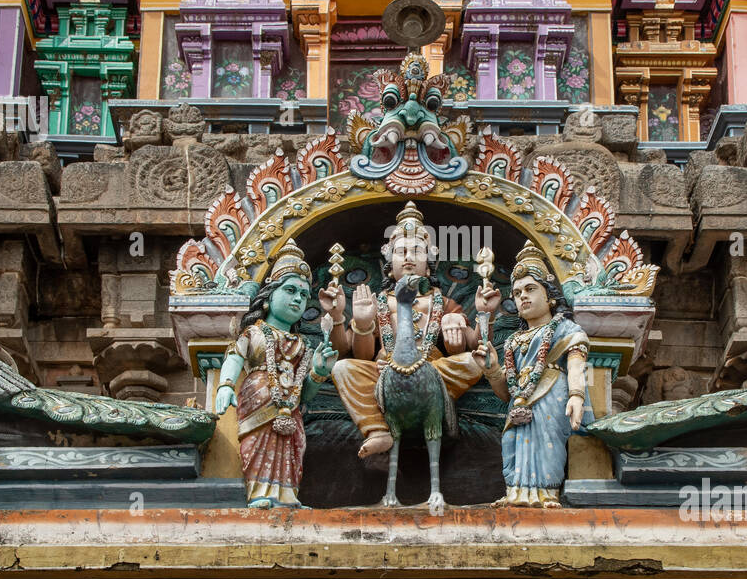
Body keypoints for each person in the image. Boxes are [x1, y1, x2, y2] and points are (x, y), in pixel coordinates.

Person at [319, 202, 501, 458]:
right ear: (389, 264)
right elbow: (355, 355)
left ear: (428, 263)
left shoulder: (442, 302)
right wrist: (349, 320)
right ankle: (376, 429)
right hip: (383, 372)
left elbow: (478, 347)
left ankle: (431, 397)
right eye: (401, 251)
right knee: (343, 368)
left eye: (416, 250)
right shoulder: (378, 301)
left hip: (432, 373)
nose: (408, 257)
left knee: (473, 363)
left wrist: (484, 313)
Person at [215, 239, 337, 508]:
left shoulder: (302, 344)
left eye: (304, 296)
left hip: (290, 407)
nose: (297, 299)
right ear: (269, 296)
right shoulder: (254, 332)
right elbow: (234, 356)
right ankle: (258, 492)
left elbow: (305, 392)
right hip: (258, 399)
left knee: (290, 449)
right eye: (291, 290)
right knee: (259, 445)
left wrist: (318, 371)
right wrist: (225, 385)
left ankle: (286, 495)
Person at [474, 241, 592, 508]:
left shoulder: (564, 328)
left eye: (530, 289)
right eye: (516, 293)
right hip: (519, 401)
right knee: (512, 440)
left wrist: (576, 395)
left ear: (549, 295)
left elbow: (575, 363)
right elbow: (506, 392)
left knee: (547, 439)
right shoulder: (514, 340)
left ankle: (547, 494)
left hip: (552, 392)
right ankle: (516, 493)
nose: (522, 297)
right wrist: (492, 370)